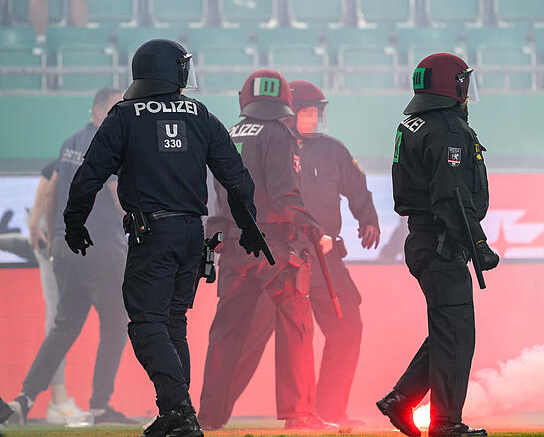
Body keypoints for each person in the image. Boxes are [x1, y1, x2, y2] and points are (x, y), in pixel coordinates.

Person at [55, 39, 261, 437]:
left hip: (153, 234)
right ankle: (175, 415)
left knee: (146, 324)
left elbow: (90, 174)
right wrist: (247, 223)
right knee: (172, 324)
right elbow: (236, 176)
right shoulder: (200, 114)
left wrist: (74, 221)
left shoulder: (125, 115)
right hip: (191, 234)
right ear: (172, 71)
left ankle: (179, 411)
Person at [197, 70, 335, 431]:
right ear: (286, 101)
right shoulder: (279, 134)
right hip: (274, 246)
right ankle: (299, 414)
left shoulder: (228, 134)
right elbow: (283, 194)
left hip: (234, 248)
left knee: (225, 333)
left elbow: (217, 197)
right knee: (296, 327)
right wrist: (313, 228)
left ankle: (209, 416)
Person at [377, 53, 499, 437]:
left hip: (424, 240)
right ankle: (445, 423)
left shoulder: (414, 124)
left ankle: (402, 399)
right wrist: (477, 243)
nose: (467, 93)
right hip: (442, 242)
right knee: (457, 333)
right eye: (463, 83)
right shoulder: (449, 131)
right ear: (452, 86)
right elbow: (451, 197)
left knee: (449, 329)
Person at [7, 88, 137, 428]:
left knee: (63, 328)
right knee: (116, 324)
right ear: (99, 111)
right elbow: (115, 192)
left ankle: (24, 398)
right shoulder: (108, 143)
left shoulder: (69, 143)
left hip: (67, 248)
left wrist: (53, 239)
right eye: (116, 109)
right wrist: (141, 222)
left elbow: (50, 192)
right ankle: (99, 406)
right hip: (101, 249)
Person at [286, 80, 380, 425]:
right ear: (290, 113)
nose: (315, 119)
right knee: (271, 333)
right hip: (283, 258)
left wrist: (368, 220)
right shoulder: (271, 148)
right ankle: (295, 412)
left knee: (347, 324)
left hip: (326, 257)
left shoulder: (333, 150)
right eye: (309, 112)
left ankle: (330, 410)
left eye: (318, 112)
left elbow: (357, 189)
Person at [29, 159, 95, 425]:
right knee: (59, 322)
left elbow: (45, 195)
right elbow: (46, 194)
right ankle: (57, 400)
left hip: (59, 242)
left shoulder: (63, 163)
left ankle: (56, 399)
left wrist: (36, 223)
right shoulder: (72, 163)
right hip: (58, 244)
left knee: (59, 321)